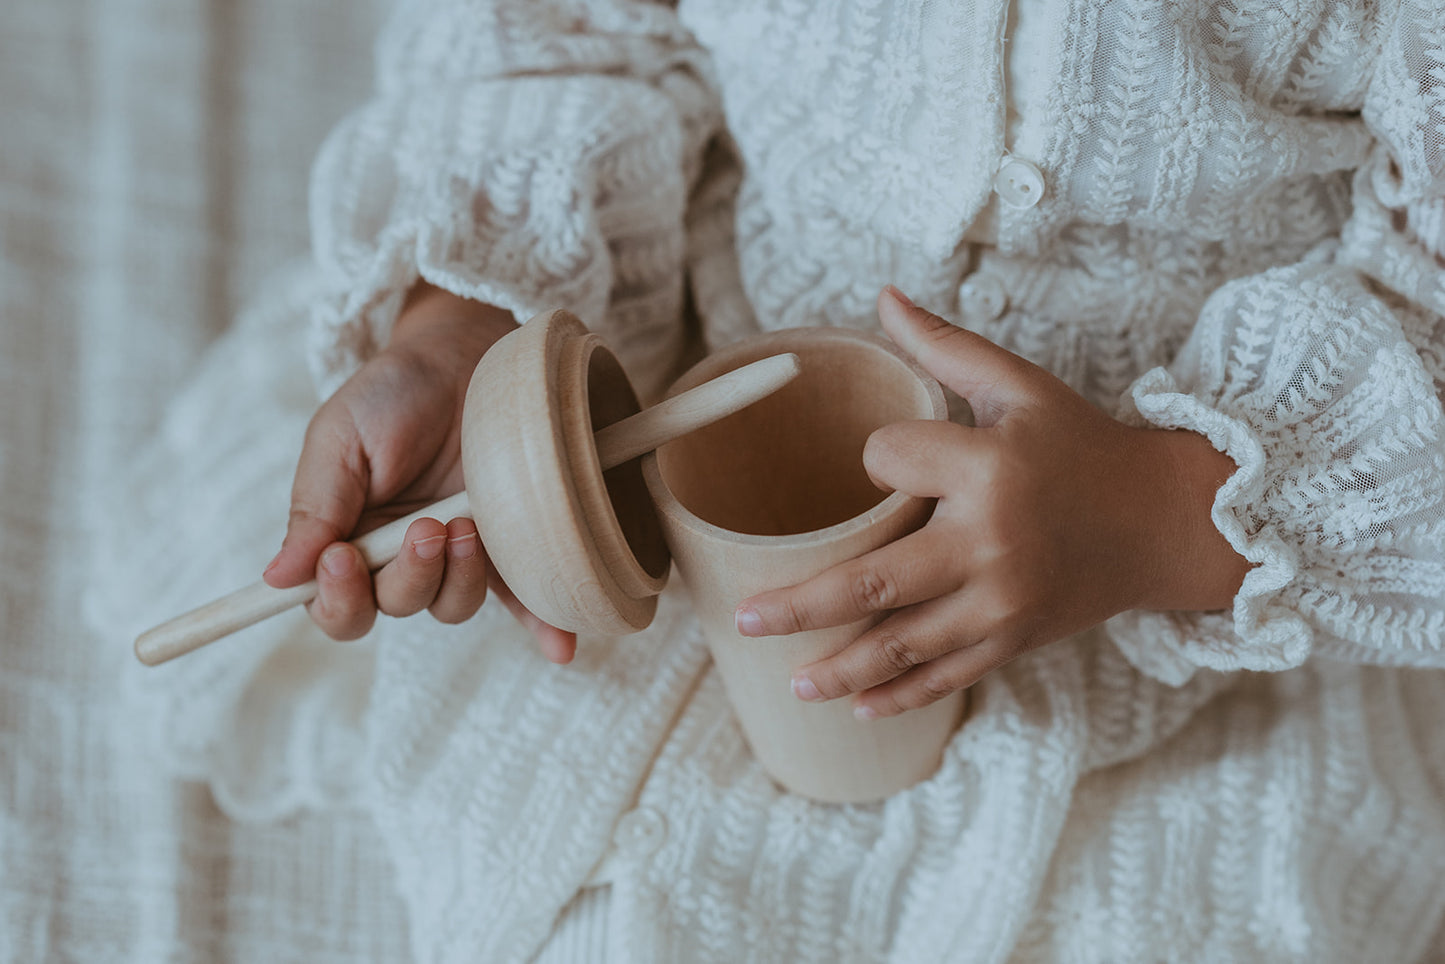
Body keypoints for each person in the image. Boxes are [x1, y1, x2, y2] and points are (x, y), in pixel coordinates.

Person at [105, 0, 1445, 960]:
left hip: (1214, 547)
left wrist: (1160, 511)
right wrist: (465, 330)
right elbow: (566, 30)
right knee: (572, 881)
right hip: (682, 359)